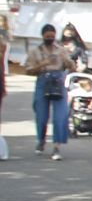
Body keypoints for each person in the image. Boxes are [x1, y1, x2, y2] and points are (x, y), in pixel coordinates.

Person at [24, 23, 76, 160]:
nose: (50, 39)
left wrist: (69, 64)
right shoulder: (35, 51)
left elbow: (72, 66)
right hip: (43, 80)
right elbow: (28, 70)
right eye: (47, 37)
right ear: (42, 36)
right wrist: (43, 63)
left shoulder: (61, 50)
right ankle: (41, 140)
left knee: (60, 115)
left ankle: (57, 146)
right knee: (41, 115)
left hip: (58, 81)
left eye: (52, 36)